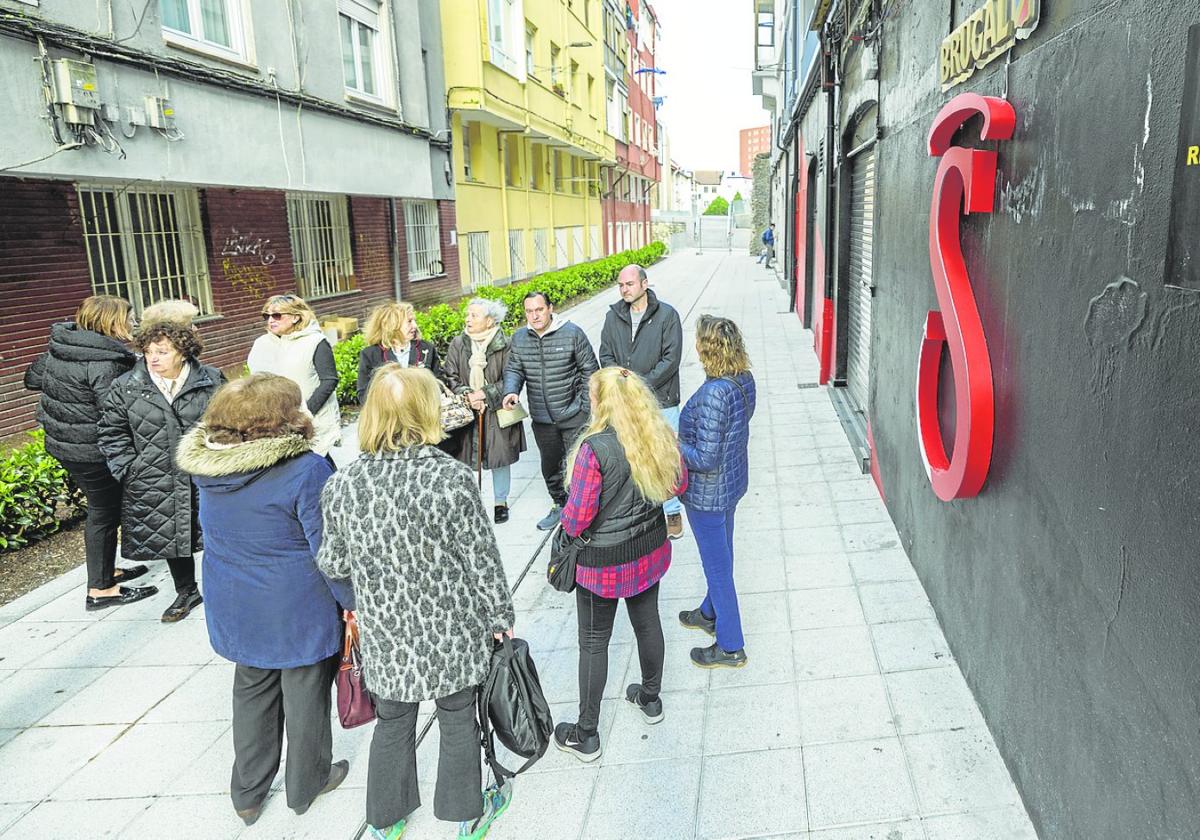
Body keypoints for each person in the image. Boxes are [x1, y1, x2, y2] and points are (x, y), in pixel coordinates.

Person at [316, 365, 515, 840]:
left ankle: (386, 820)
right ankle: (465, 814)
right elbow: (481, 559)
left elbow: (332, 562)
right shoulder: (451, 477)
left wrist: (367, 592)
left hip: (387, 630)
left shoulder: (343, 485)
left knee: (393, 721)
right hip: (451, 628)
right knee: (457, 718)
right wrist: (500, 616)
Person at [176, 374, 354, 826]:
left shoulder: (207, 468)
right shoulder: (305, 469)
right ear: (283, 419)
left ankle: (248, 793)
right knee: (305, 694)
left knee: (251, 691)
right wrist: (353, 602)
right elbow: (328, 551)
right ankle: (306, 783)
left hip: (233, 600)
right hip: (296, 604)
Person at [552, 367, 687, 763]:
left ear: (602, 401)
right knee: (648, 623)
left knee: (593, 642)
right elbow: (676, 485)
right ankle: (650, 699)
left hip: (602, 565)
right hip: (648, 550)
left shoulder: (594, 448)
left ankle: (587, 733)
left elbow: (577, 518)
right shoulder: (656, 434)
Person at [23, 295, 156, 611]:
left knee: (104, 510)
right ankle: (100, 589)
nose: (132, 322)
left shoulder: (63, 347)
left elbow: (31, 379)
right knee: (104, 513)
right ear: (111, 321)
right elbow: (116, 413)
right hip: (92, 452)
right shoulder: (106, 361)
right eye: (128, 317)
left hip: (64, 446)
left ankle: (106, 571)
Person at [98, 319, 224, 622]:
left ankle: (227, 590)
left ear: (183, 350)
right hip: (154, 475)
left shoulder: (210, 379)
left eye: (162, 351)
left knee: (219, 533)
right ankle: (186, 591)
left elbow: (229, 423)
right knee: (172, 535)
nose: (152, 358)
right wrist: (129, 468)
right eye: (148, 351)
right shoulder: (127, 386)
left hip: (204, 473)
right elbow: (111, 432)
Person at [676, 315, 757, 668]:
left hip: (708, 495)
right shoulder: (744, 379)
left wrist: (673, 445)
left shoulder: (714, 393)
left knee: (717, 568)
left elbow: (705, 458)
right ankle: (709, 613)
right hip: (732, 484)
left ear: (706, 348)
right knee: (723, 554)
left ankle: (730, 645)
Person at [598, 265, 686, 539]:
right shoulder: (612, 318)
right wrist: (622, 384)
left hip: (662, 400)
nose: (624, 289)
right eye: (621, 285)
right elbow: (606, 354)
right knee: (634, 457)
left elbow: (671, 360)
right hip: (625, 401)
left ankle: (671, 511)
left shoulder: (667, 315)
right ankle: (642, 512)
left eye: (630, 284)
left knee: (665, 456)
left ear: (645, 284)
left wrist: (640, 385)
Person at [502, 291, 599, 531]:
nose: (534, 316)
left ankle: (584, 511)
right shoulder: (520, 338)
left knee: (578, 465)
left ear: (550, 308)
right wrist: (511, 391)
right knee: (551, 465)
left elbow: (591, 371)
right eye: (529, 311)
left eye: (539, 310)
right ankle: (560, 505)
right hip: (542, 418)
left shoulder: (572, 333)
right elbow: (514, 369)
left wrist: (584, 407)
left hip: (573, 415)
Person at [443, 298, 527, 524]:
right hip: (466, 410)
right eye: (467, 315)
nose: (468, 319)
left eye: (474, 316)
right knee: (464, 457)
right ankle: (469, 501)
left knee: (500, 457)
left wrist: (485, 394)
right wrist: (469, 395)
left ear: (490, 321)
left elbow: (512, 376)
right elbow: (449, 375)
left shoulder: (506, 344)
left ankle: (501, 502)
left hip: (497, 410)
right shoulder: (458, 343)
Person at [247, 294, 340, 460]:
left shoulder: (315, 341)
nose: (270, 320)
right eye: (266, 316)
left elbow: (329, 380)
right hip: (275, 421)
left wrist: (306, 412)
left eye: (277, 315)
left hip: (312, 418)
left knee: (317, 463)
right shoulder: (262, 344)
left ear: (296, 317)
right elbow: (255, 382)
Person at [355, 301, 444, 405]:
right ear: (393, 325)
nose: (415, 326)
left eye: (414, 321)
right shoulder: (370, 355)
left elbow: (439, 382)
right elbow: (363, 394)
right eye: (409, 321)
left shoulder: (426, 348)